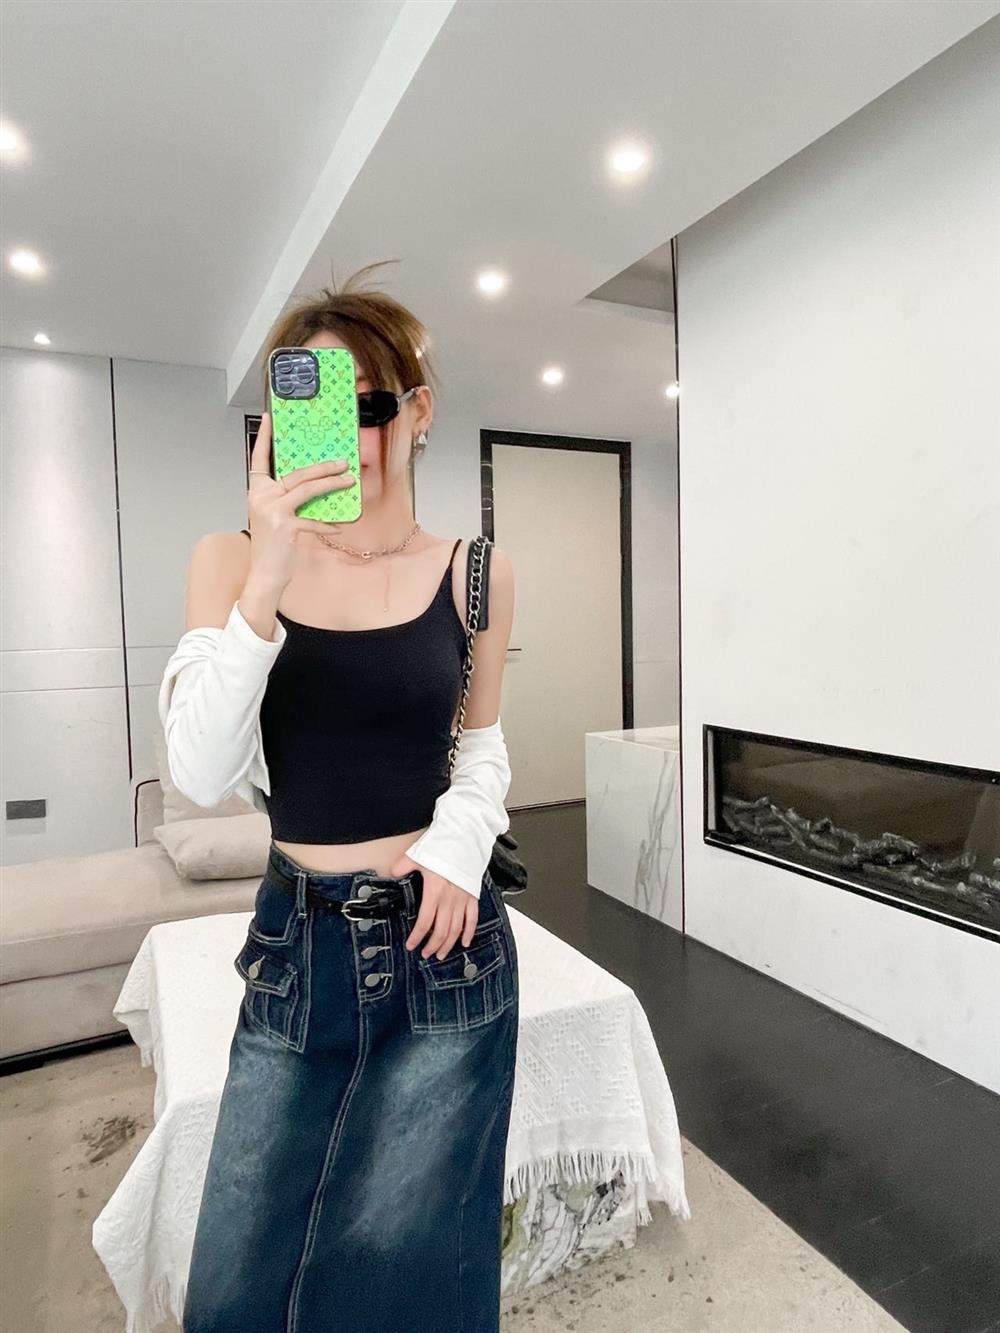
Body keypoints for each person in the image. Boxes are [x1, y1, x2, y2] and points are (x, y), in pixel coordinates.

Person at [158, 263, 519, 1332]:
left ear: (419, 411)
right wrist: (269, 574)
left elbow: (482, 747)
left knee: (419, 1279)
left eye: (369, 406)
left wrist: (458, 845)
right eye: (313, 406)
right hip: (297, 947)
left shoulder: (476, 570)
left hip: (443, 948)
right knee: (240, 1287)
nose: (348, 436)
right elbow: (200, 772)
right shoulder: (229, 559)